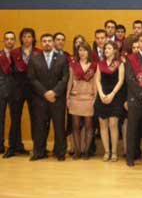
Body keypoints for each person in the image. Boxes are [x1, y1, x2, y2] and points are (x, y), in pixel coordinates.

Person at [27, 33, 69, 161]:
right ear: (40, 43)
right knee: (40, 127)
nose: (47, 43)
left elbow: (65, 78)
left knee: (59, 127)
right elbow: (32, 79)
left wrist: (54, 92)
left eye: (49, 41)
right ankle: (39, 152)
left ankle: (60, 152)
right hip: (40, 99)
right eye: (44, 41)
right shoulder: (34, 58)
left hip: (57, 99)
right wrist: (45, 93)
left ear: (53, 43)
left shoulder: (62, 58)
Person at [9, 28, 41, 157]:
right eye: (24, 36)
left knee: (36, 119)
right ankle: (14, 146)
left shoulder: (39, 52)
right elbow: (9, 72)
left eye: (29, 36)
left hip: (34, 90)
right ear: (21, 38)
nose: (27, 39)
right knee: (15, 118)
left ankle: (37, 148)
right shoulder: (14, 52)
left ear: (33, 38)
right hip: (18, 89)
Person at [94, 41, 125, 162]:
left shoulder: (119, 63)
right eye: (105, 48)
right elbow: (97, 80)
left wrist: (112, 94)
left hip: (115, 96)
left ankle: (114, 152)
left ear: (114, 50)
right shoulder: (100, 64)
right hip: (102, 95)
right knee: (103, 125)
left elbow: (121, 81)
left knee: (113, 124)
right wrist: (101, 94)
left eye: (109, 48)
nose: (106, 50)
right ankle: (106, 151)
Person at [66, 42, 97, 160]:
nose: (82, 53)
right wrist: (67, 98)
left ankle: (86, 151)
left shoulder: (94, 66)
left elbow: (95, 82)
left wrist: (95, 98)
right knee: (75, 125)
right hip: (75, 98)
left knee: (89, 126)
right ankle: (77, 151)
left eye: (84, 50)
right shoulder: (73, 65)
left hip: (89, 98)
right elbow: (69, 82)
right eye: (80, 50)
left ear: (89, 52)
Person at [124, 50, 142, 166]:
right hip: (135, 99)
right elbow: (130, 79)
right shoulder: (131, 59)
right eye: (141, 41)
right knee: (132, 130)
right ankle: (130, 158)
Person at [0, 32, 17, 156]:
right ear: (3, 41)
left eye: (12, 39)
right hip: (1, 91)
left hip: (15, 92)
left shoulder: (17, 55)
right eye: (7, 39)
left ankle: (15, 144)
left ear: (15, 41)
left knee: (15, 119)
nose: (9, 41)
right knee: (0, 119)